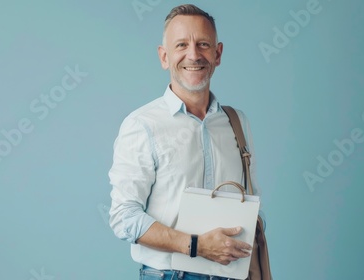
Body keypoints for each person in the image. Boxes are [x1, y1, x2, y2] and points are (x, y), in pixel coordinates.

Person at [109, 4, 265, 280]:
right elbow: (124, 218)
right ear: (164, 56)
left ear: (217, 54)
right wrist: (196, 246)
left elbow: (251, 203)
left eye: (203, 44)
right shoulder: (142, 125)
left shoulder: (237, 122)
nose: (193, 55)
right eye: (181, 45)